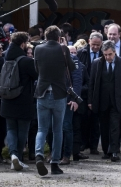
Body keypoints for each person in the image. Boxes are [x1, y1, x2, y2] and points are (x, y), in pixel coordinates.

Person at [33, 25, 76, 176]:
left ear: (45, 37)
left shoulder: (38, 49)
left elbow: (37, 69)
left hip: (42, 92)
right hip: (59, 94)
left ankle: (38, 154)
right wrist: (65, 47)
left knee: (41, 129)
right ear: (59, 37)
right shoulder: (63, 49)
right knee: (58, 130)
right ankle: (55, 164)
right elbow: (72, 68)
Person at [88, 40, 121, 162]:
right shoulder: (97, 63)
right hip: (102, 100)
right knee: (103, 127)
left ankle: (114, 151)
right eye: (105, 55)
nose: (107, 57)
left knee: (115, 126)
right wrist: (90, 101)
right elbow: (91, 83)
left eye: (109, 54)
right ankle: (106, 151)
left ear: (114, 52)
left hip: (117, 100)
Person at [1, 32, 38, 171]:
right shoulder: (26, 61)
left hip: (7, 99)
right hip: (24, 101)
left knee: (11, 129)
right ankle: (19, 158)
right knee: (23, 130)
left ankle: (13, 156)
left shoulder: (6, 57)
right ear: (22, 44)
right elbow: (37, 75)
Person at [76, 32, 103, 154]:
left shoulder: (104, 53)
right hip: (84, 91)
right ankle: (83, 143)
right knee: (83, 119)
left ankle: (94, 146)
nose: (96, 47)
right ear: (88, 41)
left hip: (98, 92)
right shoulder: (81, 53)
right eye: (93, 44)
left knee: (95, 120)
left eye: (98, 45)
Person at [60, 44, 83, 165]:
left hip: (69, 98)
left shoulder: (74, 60)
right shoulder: (55, 58)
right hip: (56, 97)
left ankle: (66, 155)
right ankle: (55, 153)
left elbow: (77, 80)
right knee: (52, 127)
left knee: (66, 126)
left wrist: (75, 98)